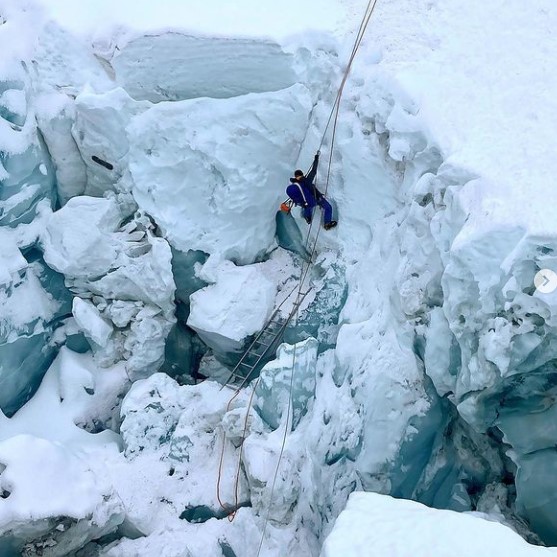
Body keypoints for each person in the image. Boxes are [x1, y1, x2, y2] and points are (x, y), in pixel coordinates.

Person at [285, 152, 337, 230]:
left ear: (295, 177)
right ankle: (327, 223)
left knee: (307, 206)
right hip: (316, 199)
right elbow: (314, 171)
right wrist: (316, 159)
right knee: (328, 207)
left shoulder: (295, 185)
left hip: (304, 203)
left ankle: (307, 217)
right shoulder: (307, 180)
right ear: (302, 174)